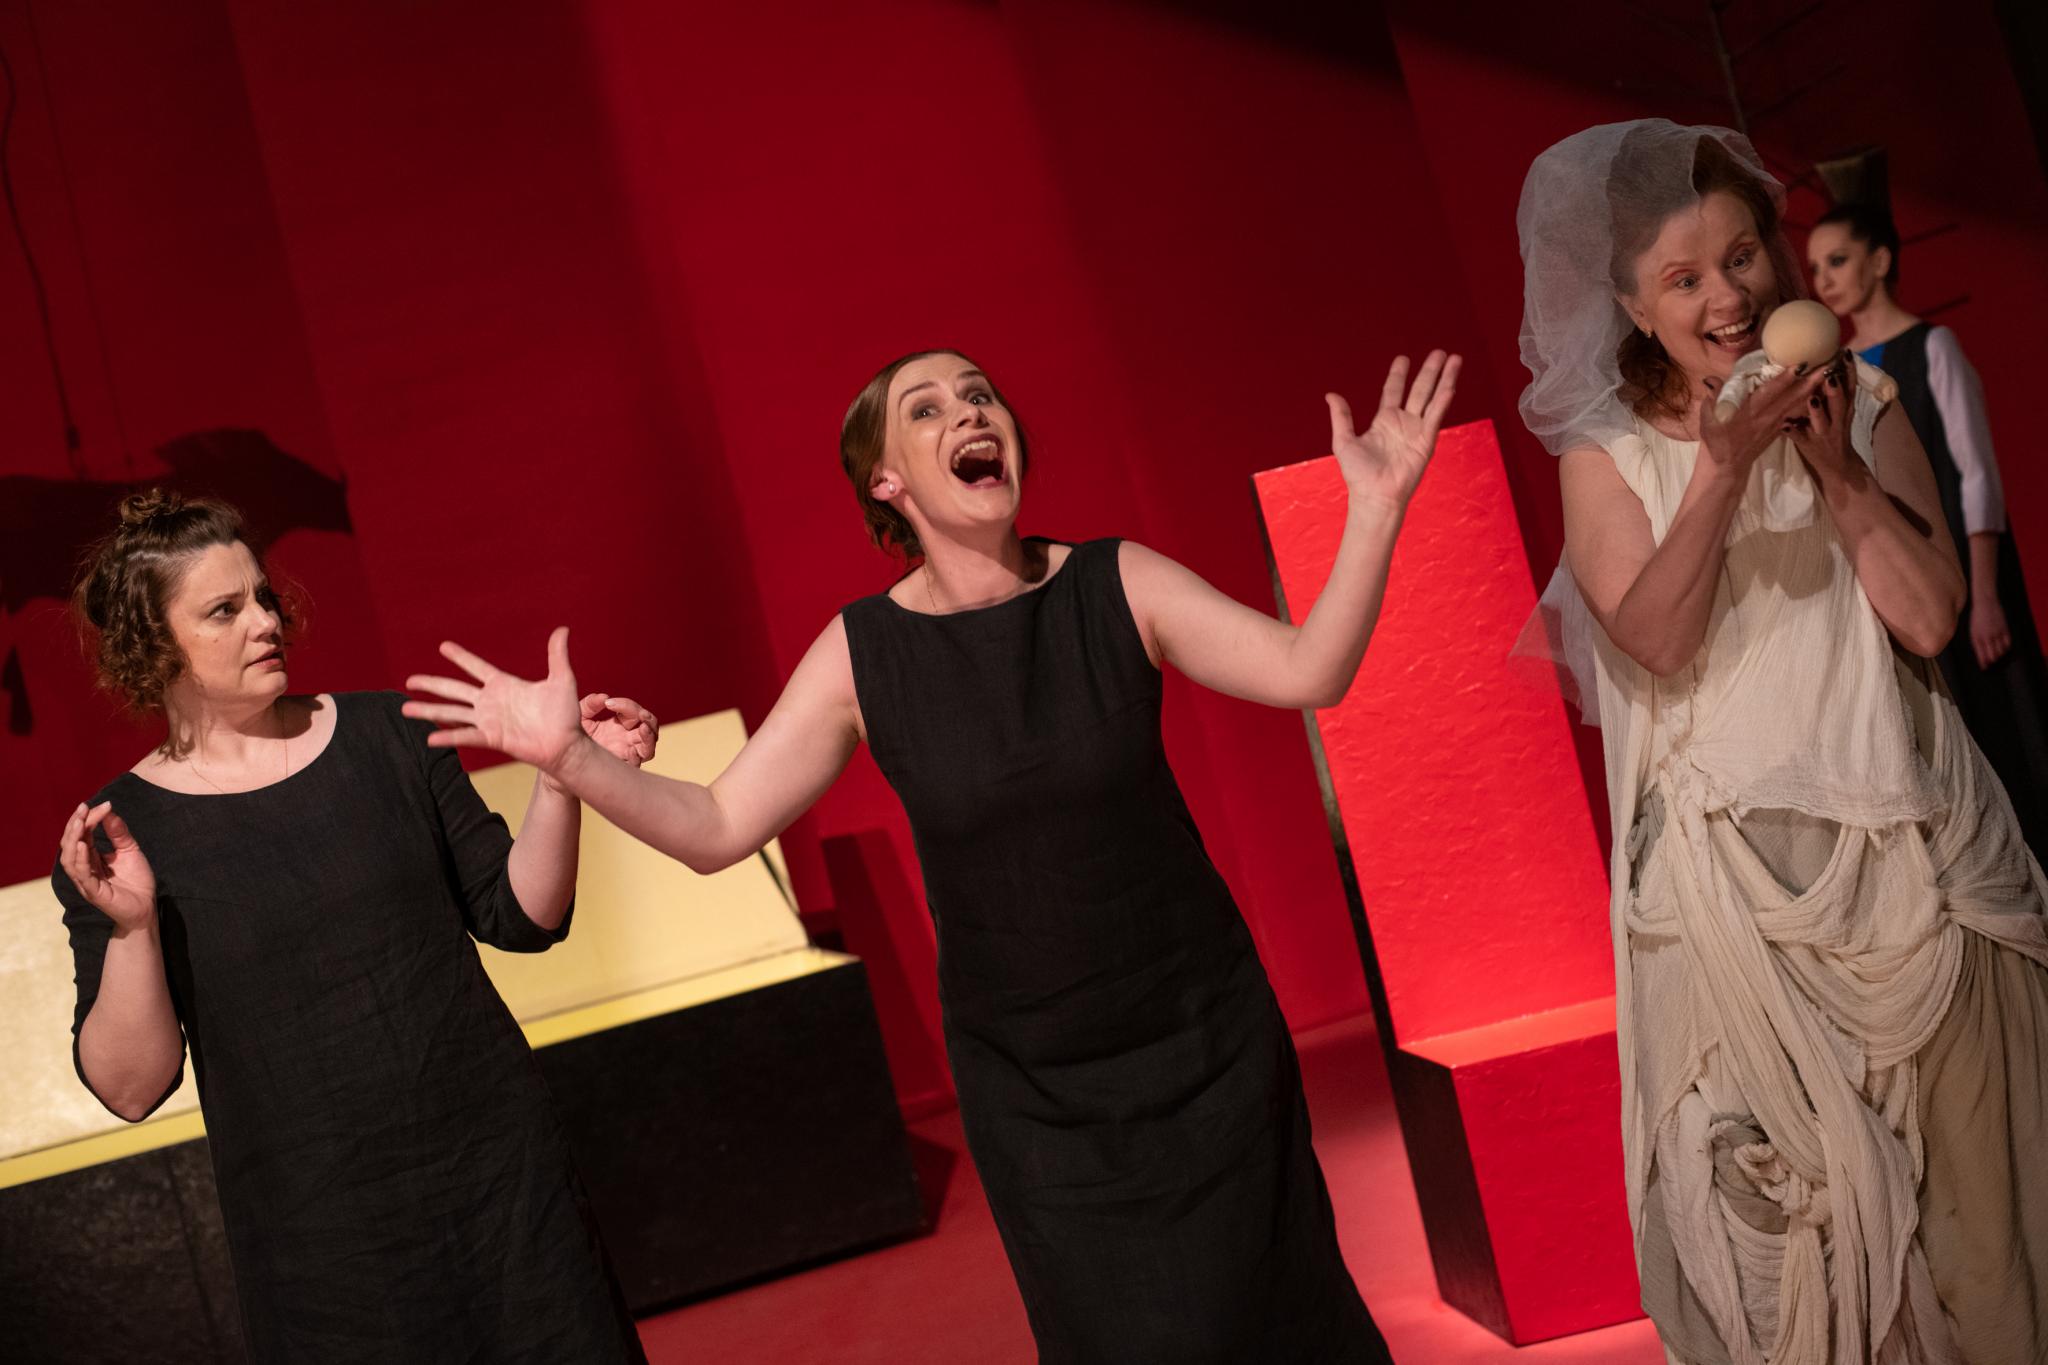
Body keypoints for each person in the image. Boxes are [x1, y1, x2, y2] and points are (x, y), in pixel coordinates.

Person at [402, 346, 1462, 1362]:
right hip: (1035, 1090)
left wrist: (1373, 509)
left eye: (980, 394)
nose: (969, 412)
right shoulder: (864, 653)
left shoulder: (1116, 582)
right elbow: (717, 827)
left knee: (1281, 1320)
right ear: (887, 482)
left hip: (1205, 1044)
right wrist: (570, 762)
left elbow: (1307, 670)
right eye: (928, 408)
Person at [1518, 117, 2048, 1364]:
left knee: (1983, 1253)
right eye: (1683, 278)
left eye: (1740, 256)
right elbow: (1652, 636)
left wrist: (1839, 476)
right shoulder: (1603, 456)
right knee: (1801, 1279)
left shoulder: (1860, 399)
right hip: (1736, 918)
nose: (1726, 297)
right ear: (1632, 307)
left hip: (1918, 878)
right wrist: (1719, 470)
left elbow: (1927, 619)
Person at [54, 490, 655, 1363]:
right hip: (323, 1252)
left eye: (264, 597)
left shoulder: (388, 734)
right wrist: (133, 927)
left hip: (502, 1190)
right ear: (154, 644)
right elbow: (131, 1088)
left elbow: (522, 914)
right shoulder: (122, 835)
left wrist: (562, 774)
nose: (266, 621)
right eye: (225, 609)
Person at [1808, 203, 2048, 853]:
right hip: (1895, 578)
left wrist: (1986, 595)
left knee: (2005, 730)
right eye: (1815, 267)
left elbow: (1976, 473)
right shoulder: (1836, 369)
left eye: (1838, 260)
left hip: (1962, 574)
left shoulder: (1931, 348)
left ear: (1880, 260)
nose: (1824, 279)